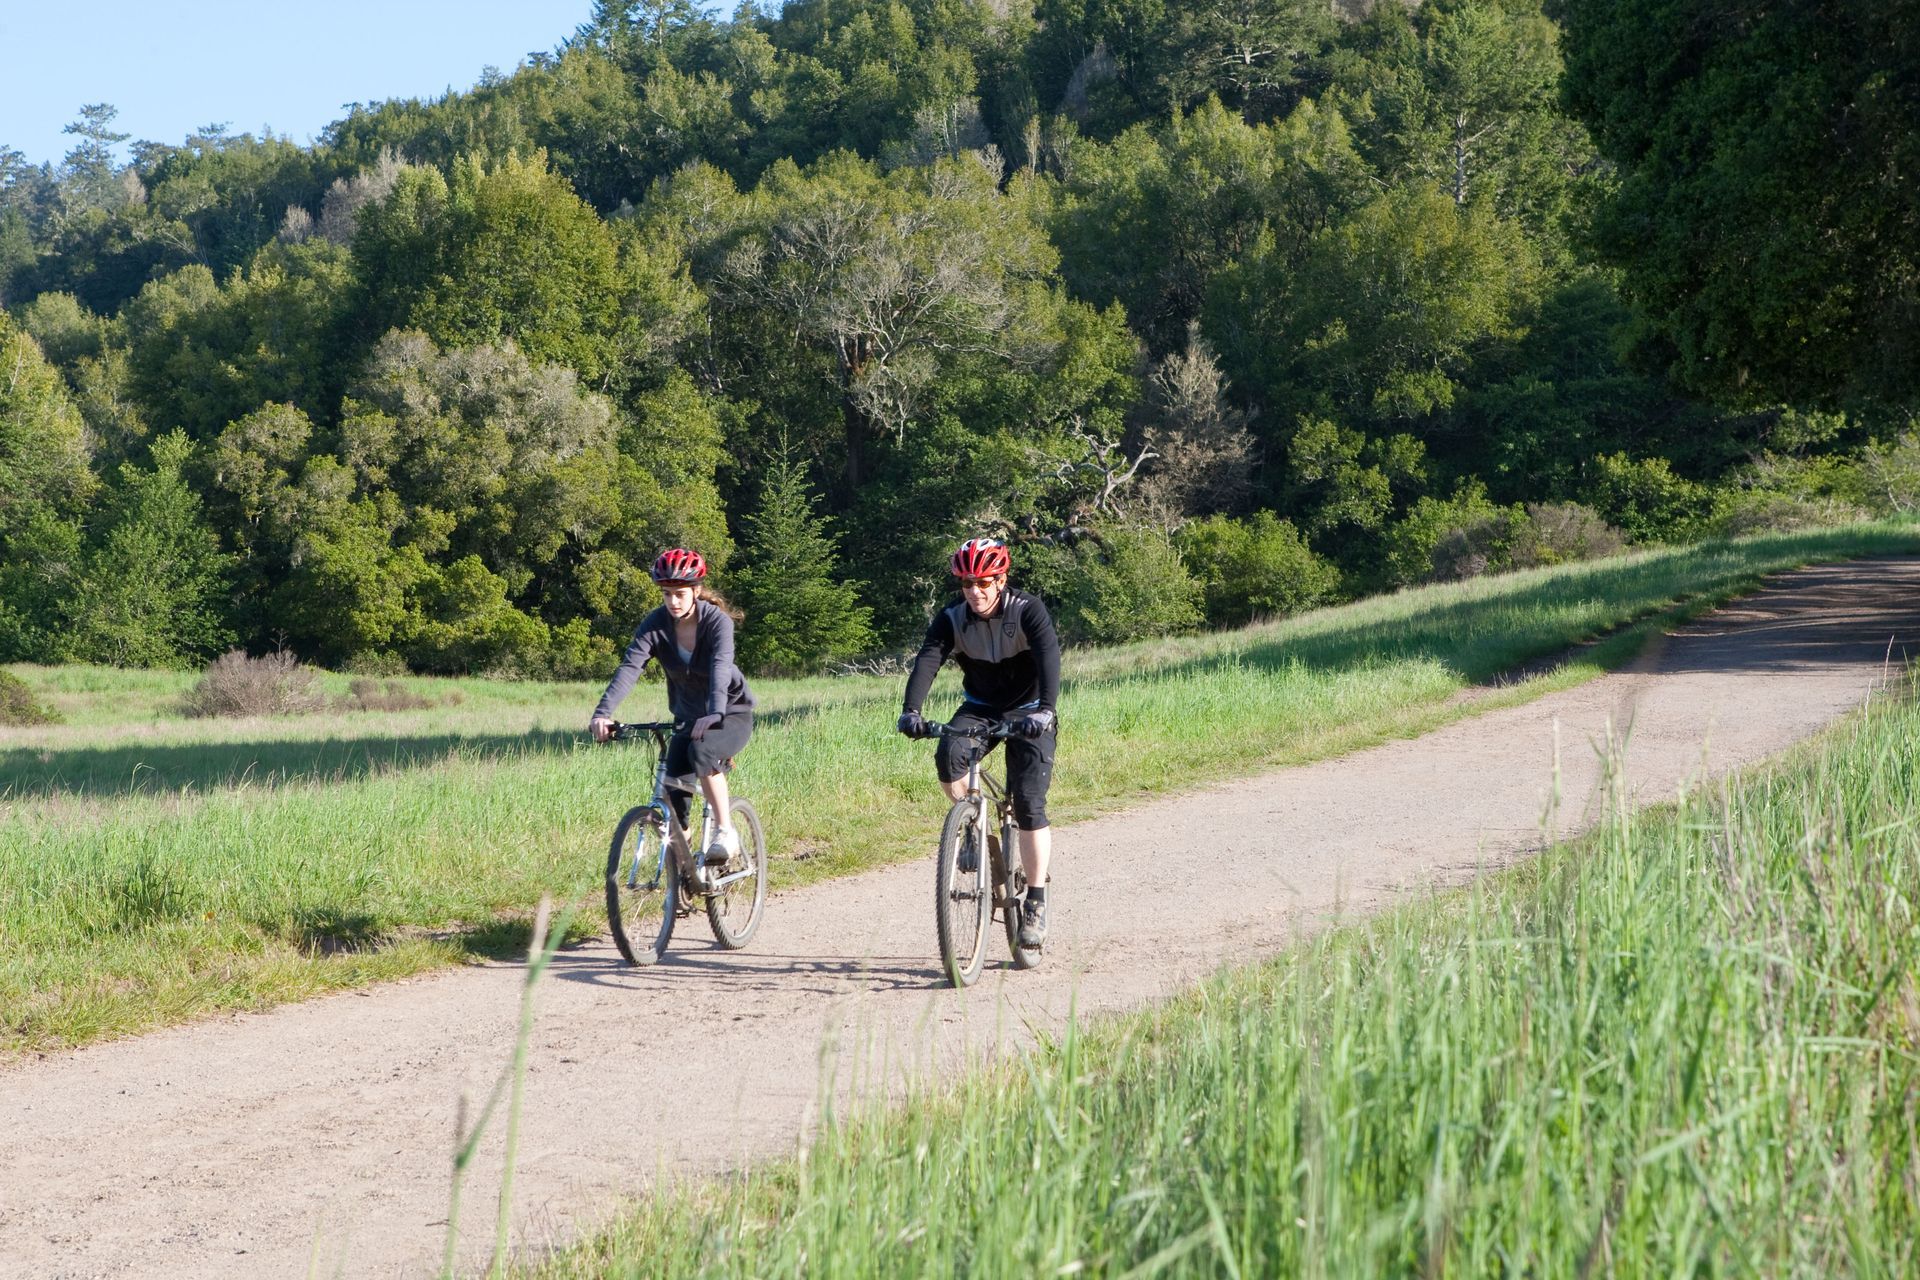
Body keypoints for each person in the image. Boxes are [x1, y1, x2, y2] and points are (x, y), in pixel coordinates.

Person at [897, 537, 1061, 947]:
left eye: (984, 582)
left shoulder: (1028, 611)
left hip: (1030, 709)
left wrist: (1047, 710)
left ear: (1001, 580)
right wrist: (911, 711)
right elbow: (928, 660)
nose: (975, 592)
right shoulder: (952, 618)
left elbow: (1049, 656)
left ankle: (1036, 902)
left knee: (1028, 802)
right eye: (967, 584)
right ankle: (973, 826)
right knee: (948, 757)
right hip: (981, 706)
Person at [590, 548, 755, 876]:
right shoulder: (656, 624)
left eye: (680, 594)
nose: (673, 602)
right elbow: (630, 667)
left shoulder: (716, 622)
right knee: (672, 800)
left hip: (730, 714)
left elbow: (721, 666)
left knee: (702, 751)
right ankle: (682, 880)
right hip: (689, 719)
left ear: (696, 591)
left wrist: (715, 712)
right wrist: (602, 713)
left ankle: (726, 832)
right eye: (666, 594)